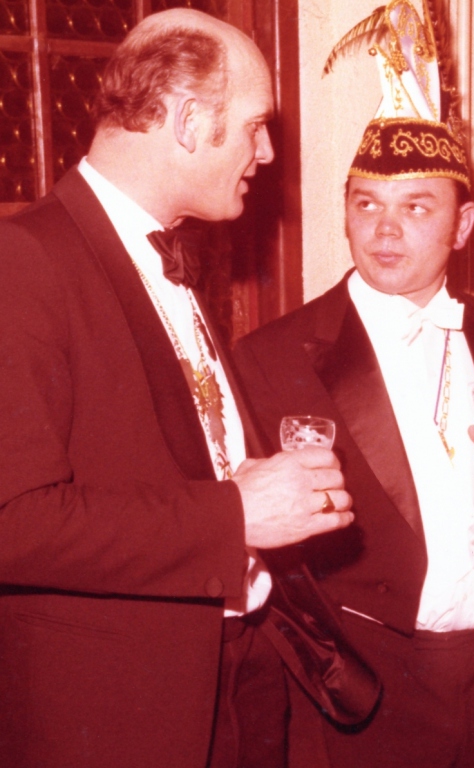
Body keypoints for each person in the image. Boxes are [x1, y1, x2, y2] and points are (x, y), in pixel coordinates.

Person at [0, 9, 355, 768]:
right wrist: (236, 513)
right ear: (189, 122)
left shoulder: (168, 252)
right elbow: (13, 522)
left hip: (239, 679)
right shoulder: (23, 259)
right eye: (256, 126)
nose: (267, 152)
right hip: (121, 716)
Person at [234, 2, 474, 766]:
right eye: (367, 204)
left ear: (462, 226)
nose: (384, 229)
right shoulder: (270, 358)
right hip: (372, 700)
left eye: (416, 207)